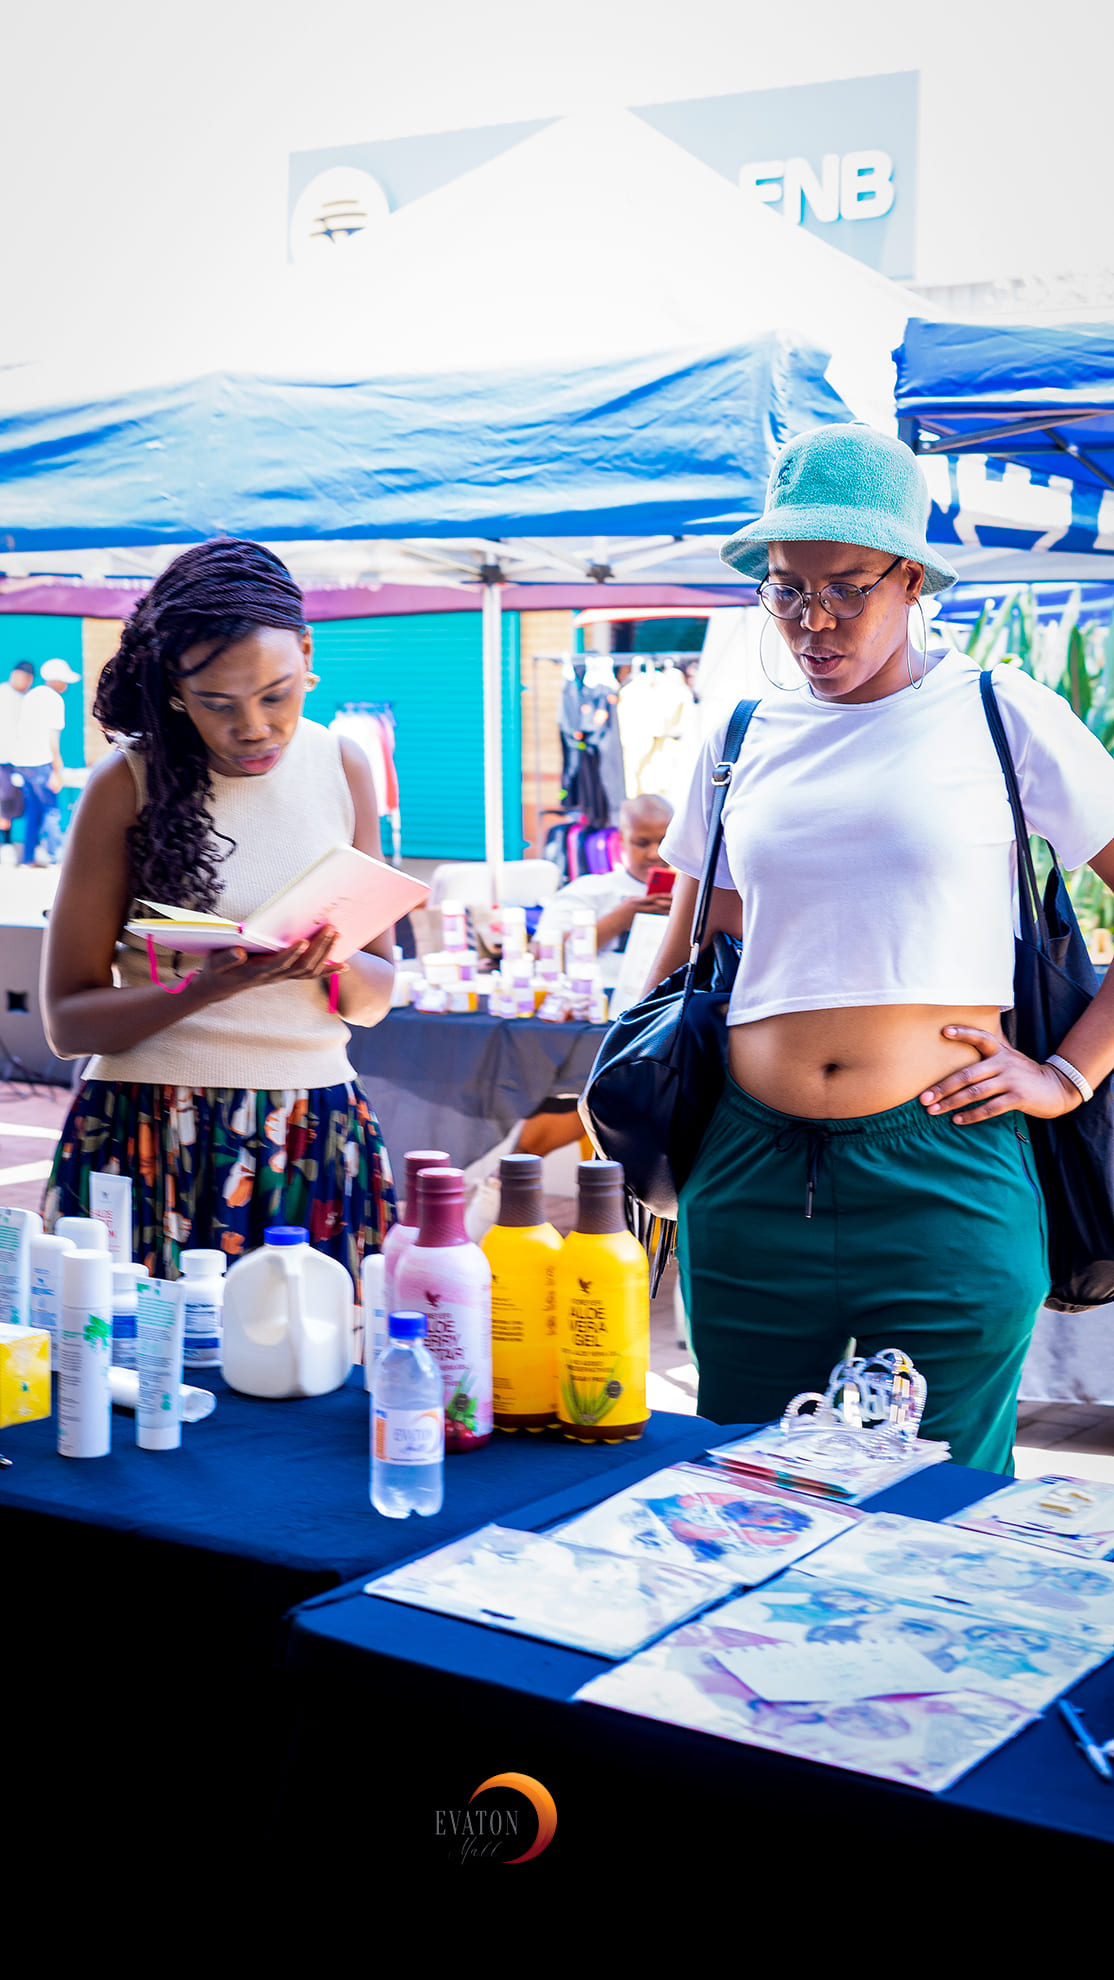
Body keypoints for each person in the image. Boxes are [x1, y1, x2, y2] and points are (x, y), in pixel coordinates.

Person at [651, 423, 1114, 1474]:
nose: (812, 623)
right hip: (747, 1174)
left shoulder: (999, 714)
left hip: (944, 1174)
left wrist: (1066, 1075)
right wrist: (629, 1111)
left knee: (943, 1512)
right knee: (740, 1497)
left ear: (911, 579)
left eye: (845, 590)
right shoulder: (737, 737)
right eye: (785, 591)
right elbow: (689, 957)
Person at [42, 538, 396, 1283]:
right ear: (176, 689)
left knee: (318, 1353)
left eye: (277, 694)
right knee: (138, 1353)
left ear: (307, 654)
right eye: (218, 703)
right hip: (146, 1130)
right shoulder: (124, 783)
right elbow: (68, 1022)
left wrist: (323, 960)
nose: (255, 726)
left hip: (313, 1126)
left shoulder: (343, 766)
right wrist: (204, 989)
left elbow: (375, 998)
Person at [533, 793, 674, 989]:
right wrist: (620, 919)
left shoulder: (693, 895)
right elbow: (542, 954)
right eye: (642, 843)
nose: (654, 854)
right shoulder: (587, 889)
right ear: (621, 840)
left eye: (664, 842)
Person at [13, 655, 78, 865]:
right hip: (41, 762)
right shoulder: (54, 700)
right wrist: (57, 769)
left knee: (33, 811)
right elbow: (52, 739)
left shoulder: (32, 695)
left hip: (23, 762)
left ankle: (28, 857)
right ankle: (57, 857)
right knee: (52, 810)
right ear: (57, 680)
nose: (66, 685)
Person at [0, 659, 33, 850]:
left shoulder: (28, 698)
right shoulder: (2, 693)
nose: (25, 682)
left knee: (18, 803)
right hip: (3, 759)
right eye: (22, 677)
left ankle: (16, 843)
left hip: (21, 760)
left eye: (28, 679)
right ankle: (5, 843)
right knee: (4, 801)